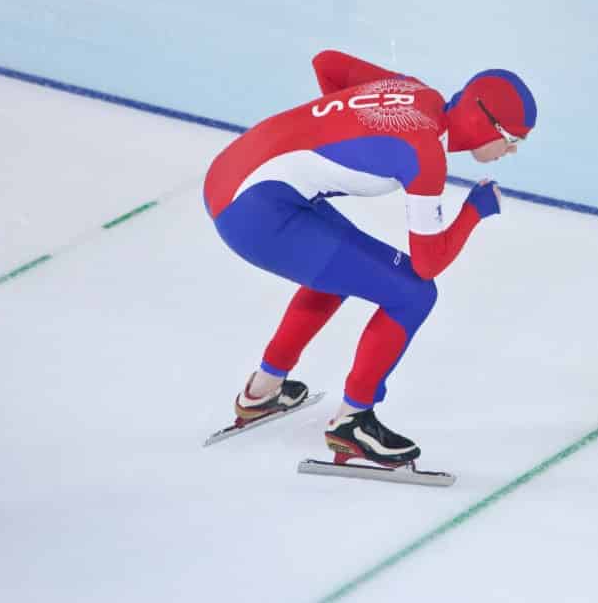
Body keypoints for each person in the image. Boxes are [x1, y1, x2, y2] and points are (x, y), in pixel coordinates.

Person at [202, 49, 537, 466]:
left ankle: (262, 391)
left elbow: (328, 63)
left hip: (235, 173)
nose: (513, 149)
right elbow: (428, 264)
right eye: (513, 138)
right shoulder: (425, 153)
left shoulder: (412, 90)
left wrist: (339, 126)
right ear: (483, 123)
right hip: (253, 211)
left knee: (339, 271)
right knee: (414, 294)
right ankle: (352, 422)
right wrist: (474, 211)